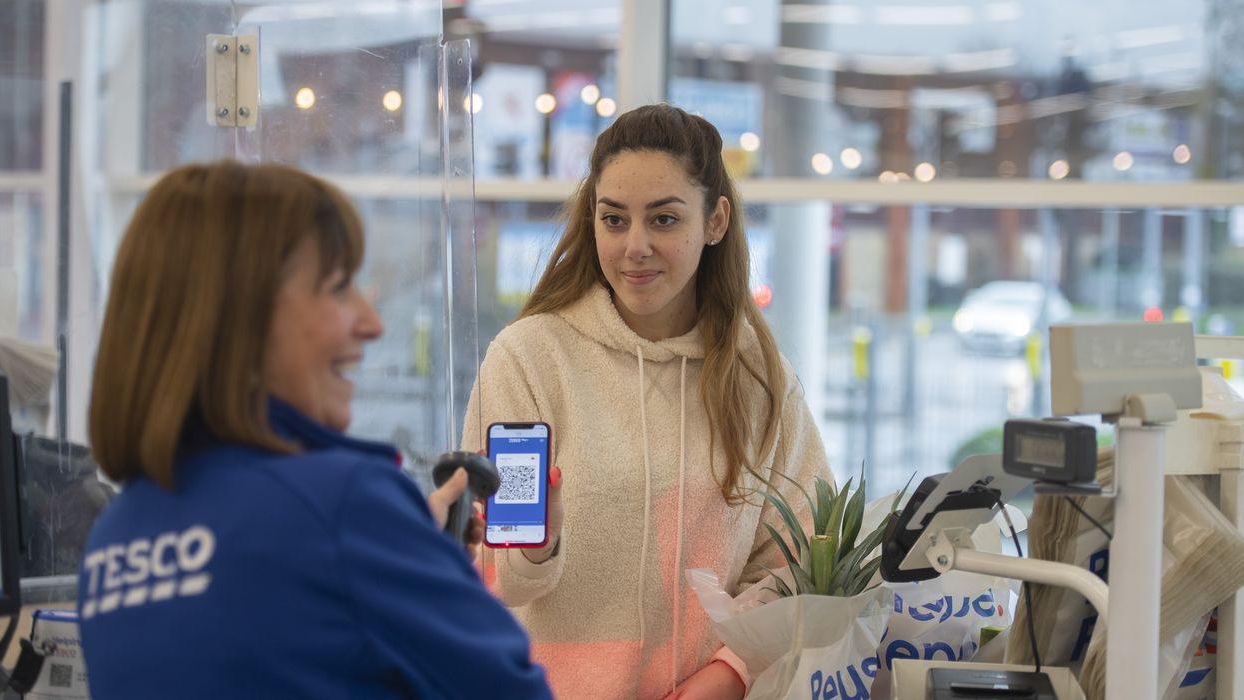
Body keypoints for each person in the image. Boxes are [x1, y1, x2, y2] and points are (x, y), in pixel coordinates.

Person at [77, 161, 552, 700]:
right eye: (338, 288)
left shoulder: (112, 540)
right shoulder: (343, 504)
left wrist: (404, 550)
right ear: (243, 317)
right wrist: (427, 565)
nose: (371, 323)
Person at [462, 104, 834, 699]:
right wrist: (536, 546)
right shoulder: (529, 358)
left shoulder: (759, 378)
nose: (635, 246)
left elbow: (805, 558)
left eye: (664, 219)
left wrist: (731, 672)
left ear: (715, 221)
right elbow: (483, 576)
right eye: (614, 219)